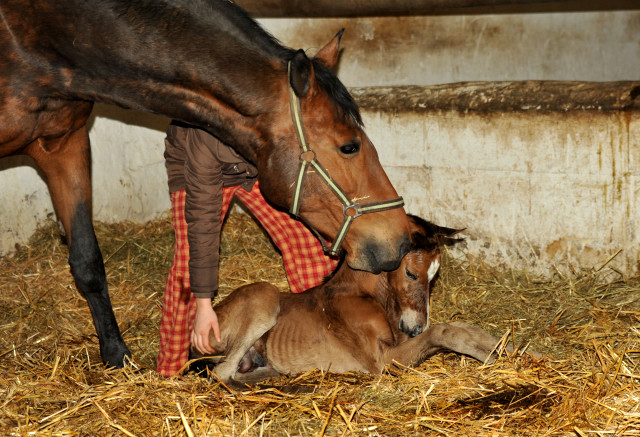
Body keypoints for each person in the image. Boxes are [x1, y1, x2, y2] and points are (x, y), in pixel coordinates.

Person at [157, 120, 338, 377]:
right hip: (196, 166)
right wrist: (204, 306)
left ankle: (315, 341)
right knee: (187, 267)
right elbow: (202, 231)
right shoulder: (203, 144)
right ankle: (170, 371)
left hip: (256, 163)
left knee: (308, 243)